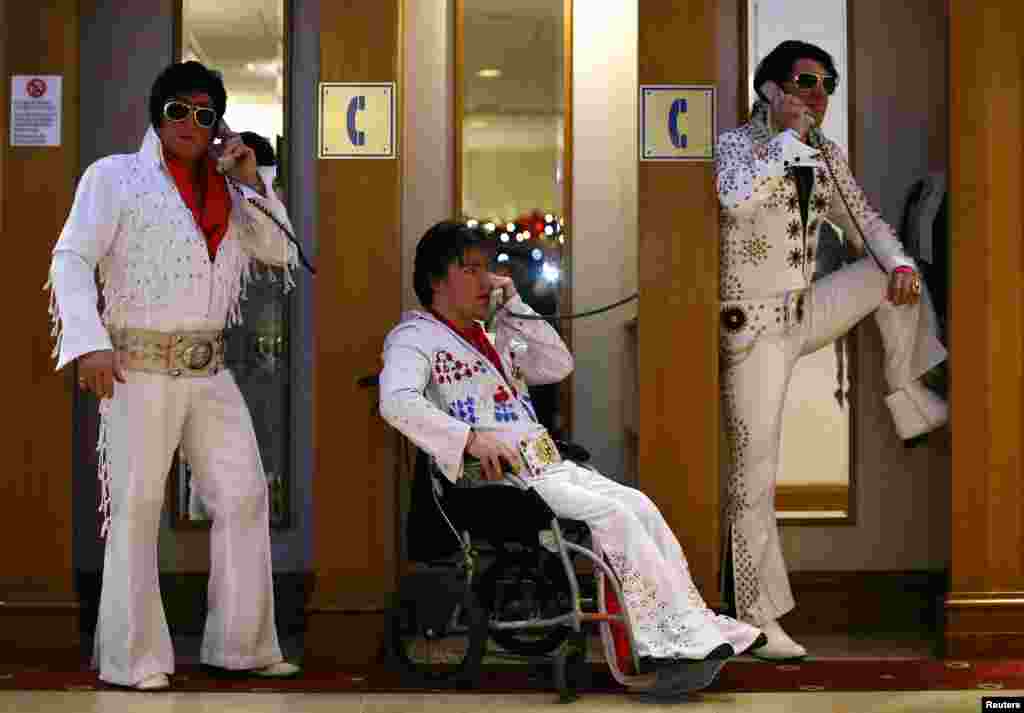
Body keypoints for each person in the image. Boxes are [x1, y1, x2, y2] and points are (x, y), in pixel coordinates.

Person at [379, 221, 764, 691]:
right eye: (471, 270)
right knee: (613, 514)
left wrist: (515, 306)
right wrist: (468, 439)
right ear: (438, 281)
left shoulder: (495, 334)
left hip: (547, 465)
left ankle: (693, 627)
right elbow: (397, 401)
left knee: (639, 505)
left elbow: (557, 364)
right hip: (494, 481)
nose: (486, 281)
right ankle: (662, 645)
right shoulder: (414, 337)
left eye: (489, 269)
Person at [46, 61, 300, 690]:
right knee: (135, 507)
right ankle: (132, 658)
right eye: (178, 110)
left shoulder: (234, 189)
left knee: (244, 495)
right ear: (157, 114)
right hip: (136, 364)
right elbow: (71, 257)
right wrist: (87, 344)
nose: (190, 123)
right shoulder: (114, 177)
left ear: (220, 126)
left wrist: (255, 178)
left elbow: (282, 253)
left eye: (205, 114)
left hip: (209, 366)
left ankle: (243, 646)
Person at [715, 40, 948, 659]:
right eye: (806, 81)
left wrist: (897, 260)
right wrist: (787, 139)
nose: (818, 95)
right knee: (755, 474)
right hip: (751, 328)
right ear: (771, 88)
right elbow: (734, 198)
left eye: (827, 86)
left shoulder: (826, 154)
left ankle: (906, 392)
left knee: (891, 274)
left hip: (802, 311)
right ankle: (758, 620)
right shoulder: (737, 146)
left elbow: (865, 221)